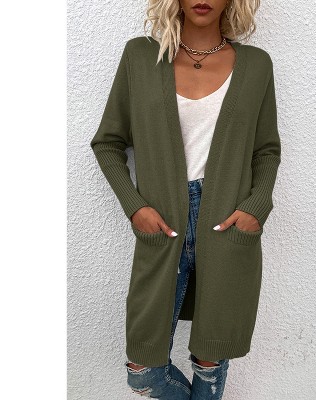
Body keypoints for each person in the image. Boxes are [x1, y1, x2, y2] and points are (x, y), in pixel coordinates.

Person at [90, 0, 281, 398]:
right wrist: (135, 208)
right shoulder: (141, 56)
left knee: (210, 359)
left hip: (227, 225)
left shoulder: (256, 65)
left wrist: (256, 207)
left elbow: (266, 150)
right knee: (144, 370)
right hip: (162, 224)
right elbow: (108, 143)